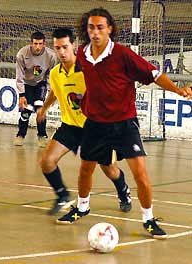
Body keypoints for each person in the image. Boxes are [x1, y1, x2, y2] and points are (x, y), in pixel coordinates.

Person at [56, 8, 192, 239]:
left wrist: (178, 90)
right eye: (91, 27)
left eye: (100, 27)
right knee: (85, 169)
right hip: (95, 123)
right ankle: (82, 207)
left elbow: (154, 74)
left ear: (110, 29)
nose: (95, 32)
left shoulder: (123, 54)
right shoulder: (82, 53)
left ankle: (148, 219)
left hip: (124, 124)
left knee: (140, 175)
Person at [36, 27, 132, 215]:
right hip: (71, 127)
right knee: (47, 161)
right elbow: (55, 91)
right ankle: (62, 195)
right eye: (57, 48)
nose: (62, 52)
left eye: (65, 47)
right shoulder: (55, 73)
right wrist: (45, 108)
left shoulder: (88, 70)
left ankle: (123, 191)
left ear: (74, 45)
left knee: (109, 168)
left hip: (95, 127)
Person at [13, 31, 58, 148]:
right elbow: (19, 75)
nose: (37, 47)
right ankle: (20, 135)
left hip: (40, 84)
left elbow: (51, 74)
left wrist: (50, 90)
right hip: (27, 84)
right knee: (27, 110)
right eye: (35, 44)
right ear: (31, 43)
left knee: (40, 110)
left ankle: (42, 136)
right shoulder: (22, 54)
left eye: (40, 44)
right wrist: (22, 94)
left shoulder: (51, 55)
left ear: (44, 44)